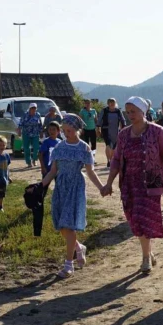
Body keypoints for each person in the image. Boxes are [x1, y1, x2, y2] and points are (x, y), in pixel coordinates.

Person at [102, 96, 163, 273]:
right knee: (134, 220)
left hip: (151, 183)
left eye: (134, 111)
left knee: (143, 218)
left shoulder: (157, 131)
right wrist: (109, 183)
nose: (130, 115)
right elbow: (116, 160)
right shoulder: (124, 134)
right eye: (128, 112)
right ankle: (149, 251)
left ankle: (145, 258)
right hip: (129, 184)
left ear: (143, 111)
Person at [40, 114, 104, 278]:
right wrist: (39, 187)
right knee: (61, 225)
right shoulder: (59, 147)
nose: (66, 133)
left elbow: (90, 172)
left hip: (75, 187)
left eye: (69, 130)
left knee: (69, 224)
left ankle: (68, 265)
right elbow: (53, 171)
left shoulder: (84, 148)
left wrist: (101, 187)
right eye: (64, 130)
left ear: (77, 130)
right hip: (61, 187)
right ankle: (78, 247)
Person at [98, 98, 126, 168]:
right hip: (106, 130)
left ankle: (112, 159)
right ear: (108, 103)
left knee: (114, 147)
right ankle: (108, 161)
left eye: (113, 102)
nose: (112, 104)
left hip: (115, 131)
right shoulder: (104, 111)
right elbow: (99, 120)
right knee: (108, 145)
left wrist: (123, 129)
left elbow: (123, 120)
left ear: (115, 103)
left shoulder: (118, 111)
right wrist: (98, 129)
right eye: (110, 102)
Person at [17, 102, 42, 168]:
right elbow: (20, 123)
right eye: (32, 108)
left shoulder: (38, 115)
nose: (33, 110)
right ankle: (28, 162)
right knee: (27, 149)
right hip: (26, 134)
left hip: (35, 133)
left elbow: (40, 124)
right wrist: (19, 130)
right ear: (29, 109)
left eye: (34, 108)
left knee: (36, 148)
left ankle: (34, 159)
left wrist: (41, 132)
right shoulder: (25, 115)